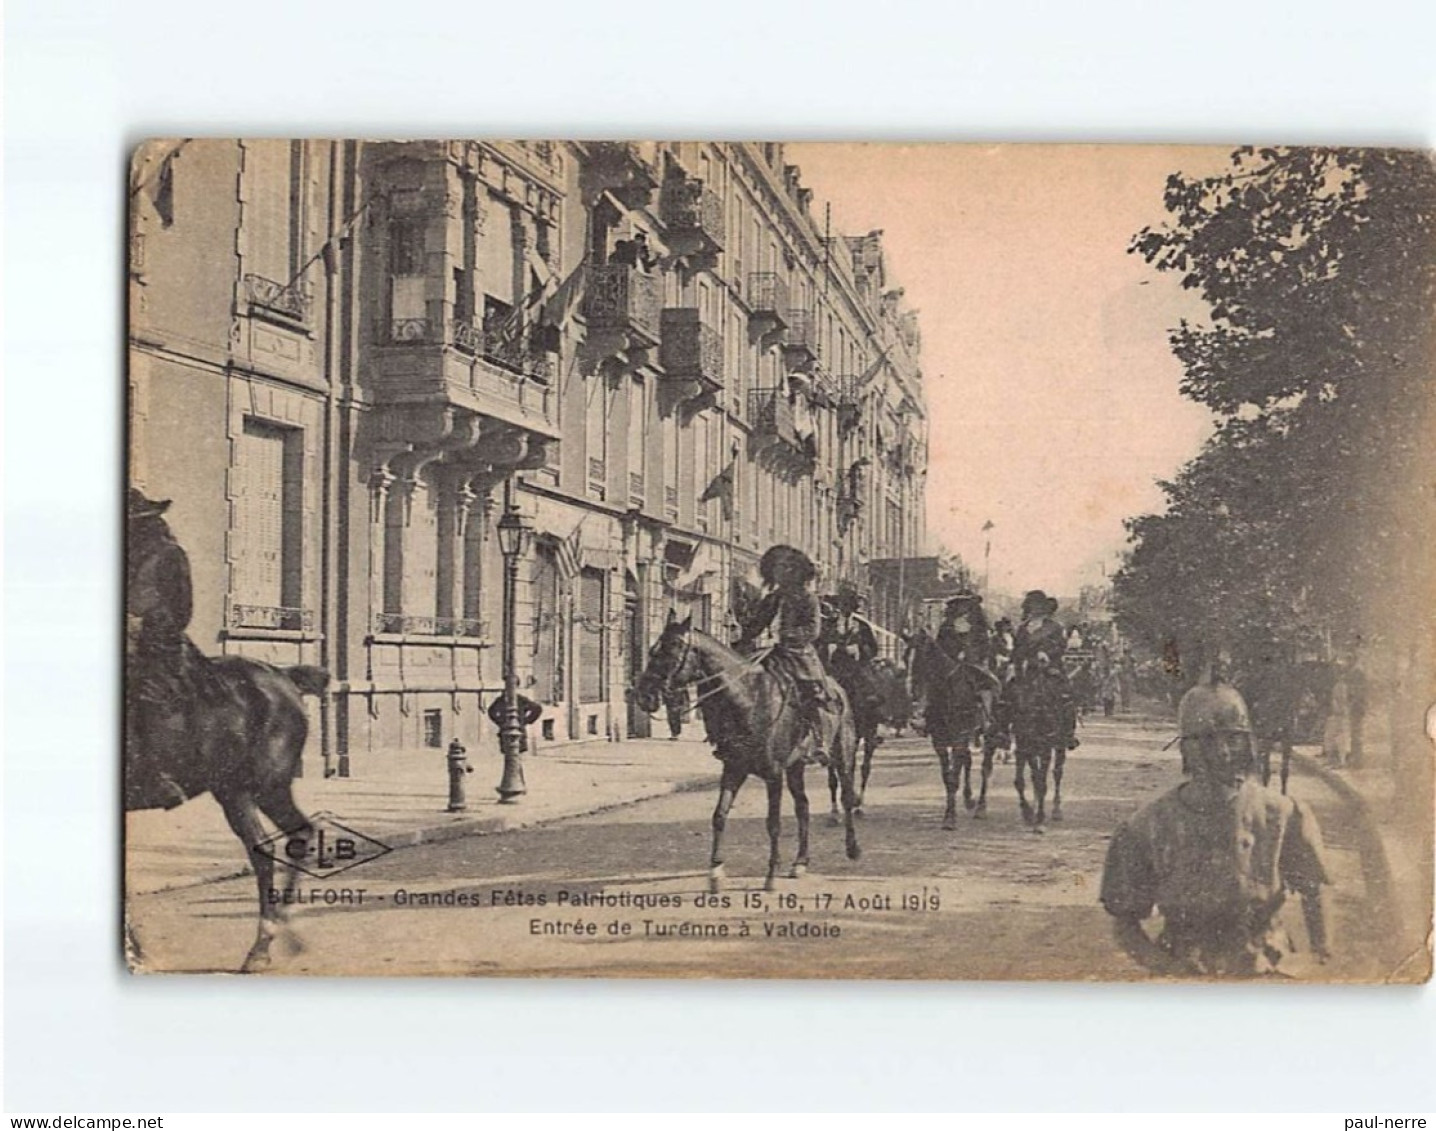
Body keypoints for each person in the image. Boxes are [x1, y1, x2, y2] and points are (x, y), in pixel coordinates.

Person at [1099, 668, 1332, 977]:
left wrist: (1319, 957)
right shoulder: (1147, 825)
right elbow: (1124, 921)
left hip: (1264, 966)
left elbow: (1315, 892)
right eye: (1207, 741)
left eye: (1233, 740)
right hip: (1186, 968)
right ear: (1185, 749)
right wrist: (1164, 966)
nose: (1222, 752)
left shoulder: (1282, 814)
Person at [127, 489, 212, 810]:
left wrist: (145, 624)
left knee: (144, 695)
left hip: (159, 643)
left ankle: (158, 775)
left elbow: (181, 610)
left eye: (137, 524)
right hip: (125, 639)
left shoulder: (170, 555)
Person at [734, 545, 836, 764]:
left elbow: (813, 629)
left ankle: (820, 741)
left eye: (784, 568)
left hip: (799, 654)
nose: (779, 572)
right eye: (776, 568)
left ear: (795, 570)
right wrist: (744, 628)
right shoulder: (772, 599)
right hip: (772, 653)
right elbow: (756, 626)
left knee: (812, 691)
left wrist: (789, 636)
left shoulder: (808, 598)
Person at [1011, 590, 1078, 749]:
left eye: (1038, 605)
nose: (1035, 608)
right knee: (1007, 691)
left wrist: (1047, 653)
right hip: (1026, 667)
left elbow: (1061, 646)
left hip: (1049, 667)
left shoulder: (1055, 627)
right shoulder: (1023, 627)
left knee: (1065, 694)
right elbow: (1017, 648)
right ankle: (1001, 730)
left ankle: (1067, 733)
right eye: (1032, 605)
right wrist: (1018, 659)